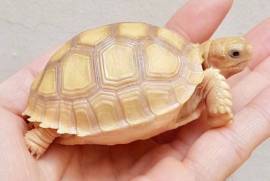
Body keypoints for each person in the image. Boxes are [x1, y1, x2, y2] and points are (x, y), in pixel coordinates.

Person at [0, 0, 269, 180]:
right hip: (72, 93)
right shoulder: (204, 75)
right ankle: (46, 131)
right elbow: (213, 86)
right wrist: (221, 113)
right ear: (216, 56)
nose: (241, 59)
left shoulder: (182, 59)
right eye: (234, 54)